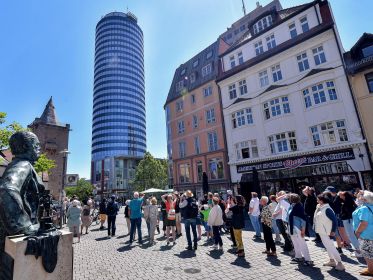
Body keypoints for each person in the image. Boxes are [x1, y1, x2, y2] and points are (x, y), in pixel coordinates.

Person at [314, 193, 345, 271]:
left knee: (331, 247)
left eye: (318, 199)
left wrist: (333, 231)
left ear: (321, 201)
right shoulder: (321, 207)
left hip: (327, 232)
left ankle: (340, 263)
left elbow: (335, 221)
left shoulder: (327, 209)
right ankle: (332, 261)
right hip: (322, 231)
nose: (316, 200)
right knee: (328, 247)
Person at [288, 194, 313, 266]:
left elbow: (303, 220)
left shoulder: (299, 207)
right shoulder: (292, 206)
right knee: (295, 243)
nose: (288, 199)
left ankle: (308, 260)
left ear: (292, 199)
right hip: (292, 227)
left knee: (302, 243)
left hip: (298, 228)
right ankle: (298, 257)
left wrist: (303, 230)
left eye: (289, 198)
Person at [353, 190, 373, 277]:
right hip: (370, 234)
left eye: (359, 197)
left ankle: (371, 270)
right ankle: (370, 269)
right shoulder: (370, 206)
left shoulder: (364, 208)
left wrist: (357, 233)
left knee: (367, 254)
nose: (357, 198)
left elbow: (364, 223)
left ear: (365, 199)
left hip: (366, 235)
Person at [339, 191, 362, 257]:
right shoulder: (351, 201)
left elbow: (346, 212)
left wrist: (342, 215)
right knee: (353, 235)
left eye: (342, 195)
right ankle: (359, 250)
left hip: (348, 220)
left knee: (351, 235)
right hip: (351, 219)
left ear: (345, 196)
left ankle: (358, 251)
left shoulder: (346, 203)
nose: (340, 196)